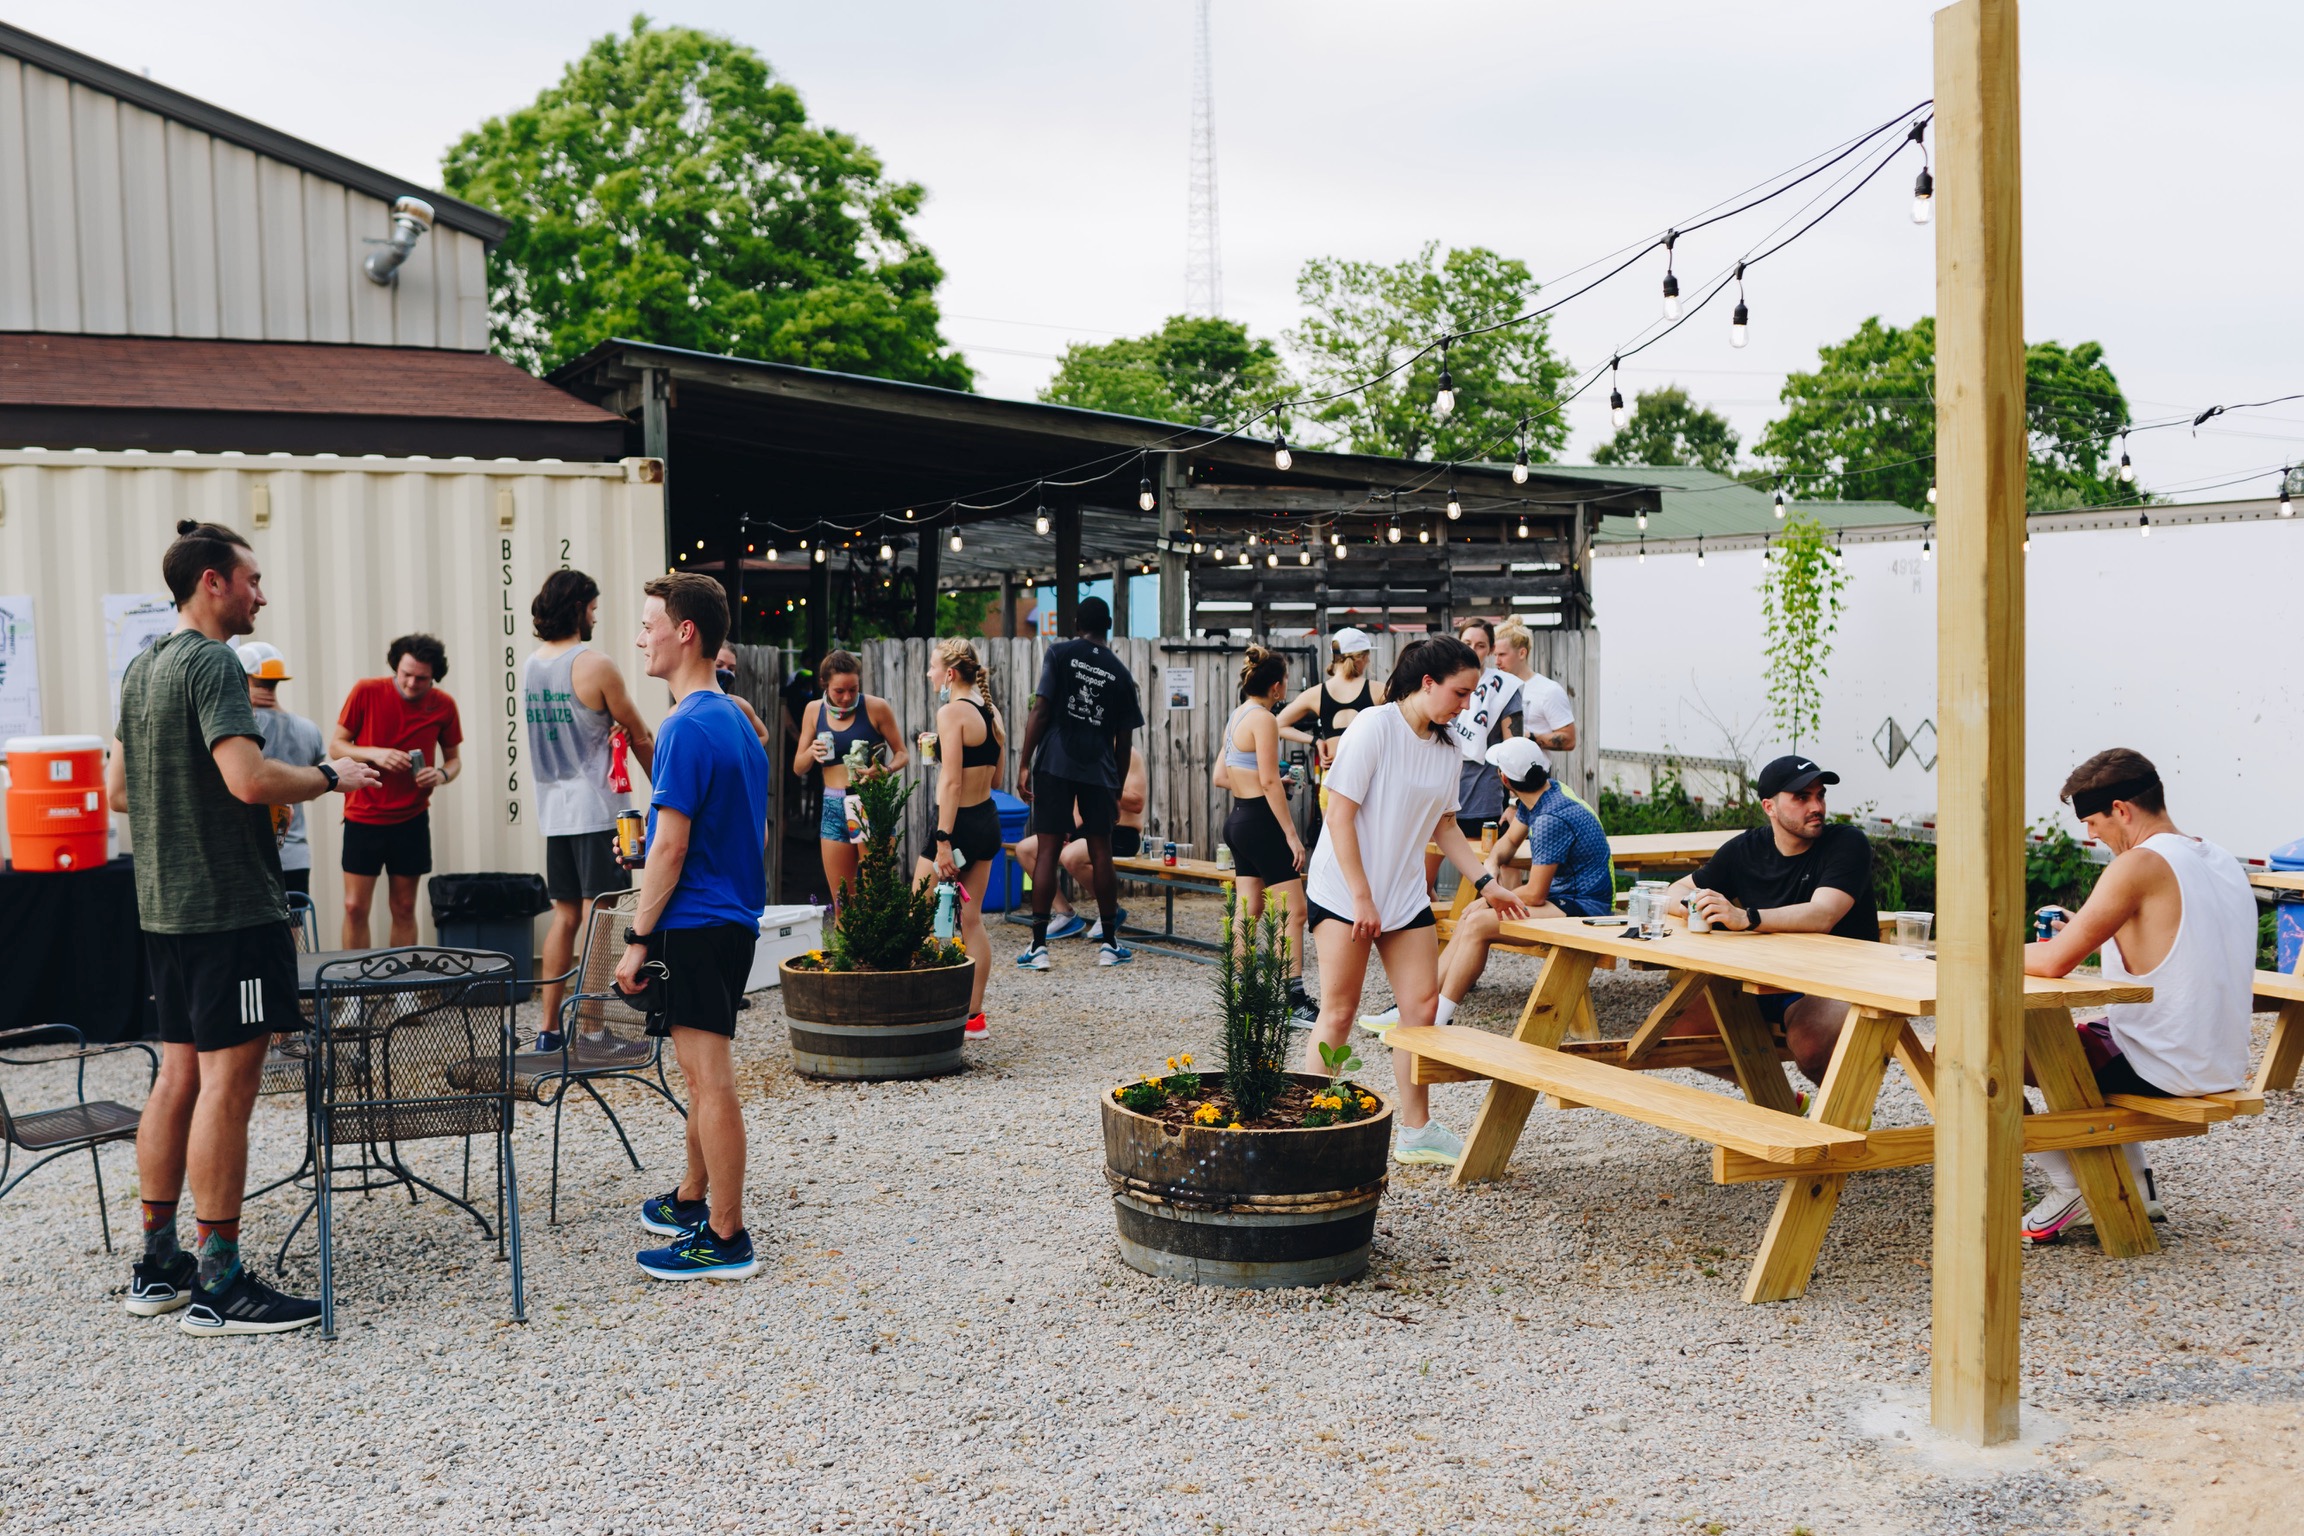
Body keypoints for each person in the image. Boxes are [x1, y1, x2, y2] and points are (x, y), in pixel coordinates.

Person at [107, 520, 380, 1332]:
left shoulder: (142, 667)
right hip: (230, 911)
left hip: (165, 911)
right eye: (252, 579)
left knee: (178, 1078)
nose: (261, 594)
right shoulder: (214, 663)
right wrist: (332, 775)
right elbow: (250, 779)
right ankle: (221, 1287)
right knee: (229, 1087)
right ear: (213, 583)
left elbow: (121, 791)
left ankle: (159, 1268)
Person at [1303, 635, 1531, 1167]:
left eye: (1474, 694)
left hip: (1403, 896)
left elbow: (1444, 825)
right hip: (1344, 889)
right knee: (1338, 1013)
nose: (1468, 705)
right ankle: (1310, 1126)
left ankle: (1416, 1129)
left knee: (1422, 1011)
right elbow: (1338, 816)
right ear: (1427, 683)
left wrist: (1486, 880)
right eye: (1460, 692)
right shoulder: (1373, 728)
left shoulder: (1449, 747)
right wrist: (1361, 897)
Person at [2020, 748, 2256, 1242]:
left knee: (1962, 1051)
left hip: (2164, 1065)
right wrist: (2081, 929)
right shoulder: (2220, 859)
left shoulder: (2137, 866)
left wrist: (1971, 950)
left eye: (2093, 821)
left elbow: (2051, 962)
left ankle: (2072, 1188)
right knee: (2083, 1038)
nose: (2091, 835)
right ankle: (2137, 1187)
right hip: (2218, 1059)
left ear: (2122, 810)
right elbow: (2175, 942)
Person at [621, 573, 769, 1281]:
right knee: (699, 1072)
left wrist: (637, 938)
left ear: (686, 632)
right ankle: (692, 1196)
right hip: (730, 916)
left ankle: (726, 1236)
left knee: (710, 1081)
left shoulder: (682, 726)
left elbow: (671, 847)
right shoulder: (737, 720)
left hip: (696, 920)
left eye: (649, 623)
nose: (640, 636)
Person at [1656, 755, 1878, 1085]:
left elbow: (1823, 914)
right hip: (1761, 980)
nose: (1816, 806)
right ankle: (1782, 1103)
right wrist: (1695, 906)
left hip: (1834, 982)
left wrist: (1745, 917)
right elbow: (1678, 889)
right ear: (1769, 807)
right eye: (1802, 798)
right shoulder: (1746, 849)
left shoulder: (1847, 843)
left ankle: (1848, 1114)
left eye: (1820, 795)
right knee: (1676, 1038)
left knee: (1812, 1047)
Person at [1366, 737, 1614, 1033]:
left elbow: (1534, 894)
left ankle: (1437, 1016)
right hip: (1570, 899)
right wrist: (1492, 866)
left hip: (1587, 911)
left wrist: (1486, 899)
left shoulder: (1550, 818)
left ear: (1504, 779)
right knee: (1472, 919)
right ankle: (1414, 1007)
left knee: (1478, 922)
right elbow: (1508, 842)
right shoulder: (1546, 795)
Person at [522, 569, 658, 1047]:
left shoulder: (533, 665)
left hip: (553, 810)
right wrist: (665, 788)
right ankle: (594, 1030)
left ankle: (548, 1029)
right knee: (602, 915)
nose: (596, 616)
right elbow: (639, 732)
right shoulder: (594, 663)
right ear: (579, 607)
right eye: (594, 608)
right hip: (599, 809)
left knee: (566, 916)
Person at [1016, 596, 1143, 970]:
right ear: (1108, 627)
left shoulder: (1059, 653)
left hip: (1055, 763)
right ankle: (1109, 944)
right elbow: (1125, 742)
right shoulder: (1121, 674)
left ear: (1076, 623)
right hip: (1098, 771)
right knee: (1101, 850)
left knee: (1048, 850)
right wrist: (1116, 789)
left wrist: (1025, 763)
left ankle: (1038, 947)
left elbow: (1040, 709)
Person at [331, 634, 462, 949]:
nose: (412, 683)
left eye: (422, 678)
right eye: (406, 674)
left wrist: (441, 775)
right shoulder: (366, 691)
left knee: (404, 907)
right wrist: (376, 753)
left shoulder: (443, 705)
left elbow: (455, 760)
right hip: (363, 815)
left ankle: (403, 990)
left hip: (411, 819)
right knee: (354, 907)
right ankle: (354, 992)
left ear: (434, 677)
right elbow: (336, 747)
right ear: (395, 666)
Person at [911, 640, 1006, 1037]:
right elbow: (996, 779)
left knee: (916, 910)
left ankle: (918, 1004)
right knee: (971, 919)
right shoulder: (992, 712)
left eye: (933, 668)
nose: (929, 675)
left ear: (950, 673)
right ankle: (973, 1017)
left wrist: (943, 840)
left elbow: (950, 783)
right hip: (987, 819)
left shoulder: (951, 713)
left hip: (957, 824)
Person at [1217, 646, 1314, 1019]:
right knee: (1296, 912)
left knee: (1249, 910)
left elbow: (1222, 775)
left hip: (1239, 820)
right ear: (1276, 686)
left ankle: (1242, 996)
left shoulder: (1237, 716)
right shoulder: (1265, 719)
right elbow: (1271, 781)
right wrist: (1291, 834)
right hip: (1261, 822)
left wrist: (1262, 782)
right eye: (1285, 683)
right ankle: (1294, 1001)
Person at [790, 651, 907, 909]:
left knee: (877, 900)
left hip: (868, 802)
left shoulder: (875, 707)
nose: (846, 698)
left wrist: (885, 769)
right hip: (833, 805)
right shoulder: (813, 710)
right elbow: (798, 767)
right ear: (824, 684)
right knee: (843, 903)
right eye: (839, 691)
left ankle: (877, 950)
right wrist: (811, 752)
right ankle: (848, 950)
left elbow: (902, 753)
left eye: (853, 690)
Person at [1015, 747, 1145, 942]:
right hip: (1086, 830)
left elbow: (1137, 803)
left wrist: (1103, 785)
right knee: (1025, 849)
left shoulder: (1129, 754)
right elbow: (1076, 806)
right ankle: (1065, 914)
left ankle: (1111, 910)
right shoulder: (1084, 751)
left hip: (1121, 833)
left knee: (1071, 856)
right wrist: (1066, 831)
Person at [237, 642, 323, 898]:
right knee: (294, 933)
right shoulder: (309, 730)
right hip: (294, 855)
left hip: (248, 857)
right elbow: (318, 781)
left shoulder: (236, 732)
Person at [1275, 626, 1384, 810]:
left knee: (1331, 840)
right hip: (1368, 783)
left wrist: (1316, 741)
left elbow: (1278, 724)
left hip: (1333, 781)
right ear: (1362, 657)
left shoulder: (1316, 694)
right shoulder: (1380, 690)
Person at [714, 641, 771, 749]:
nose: (726, 672)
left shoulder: (739, 705)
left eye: (731, 669)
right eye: (719, 665)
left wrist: (741, 751)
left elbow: (763, 735)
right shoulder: (684, 705)